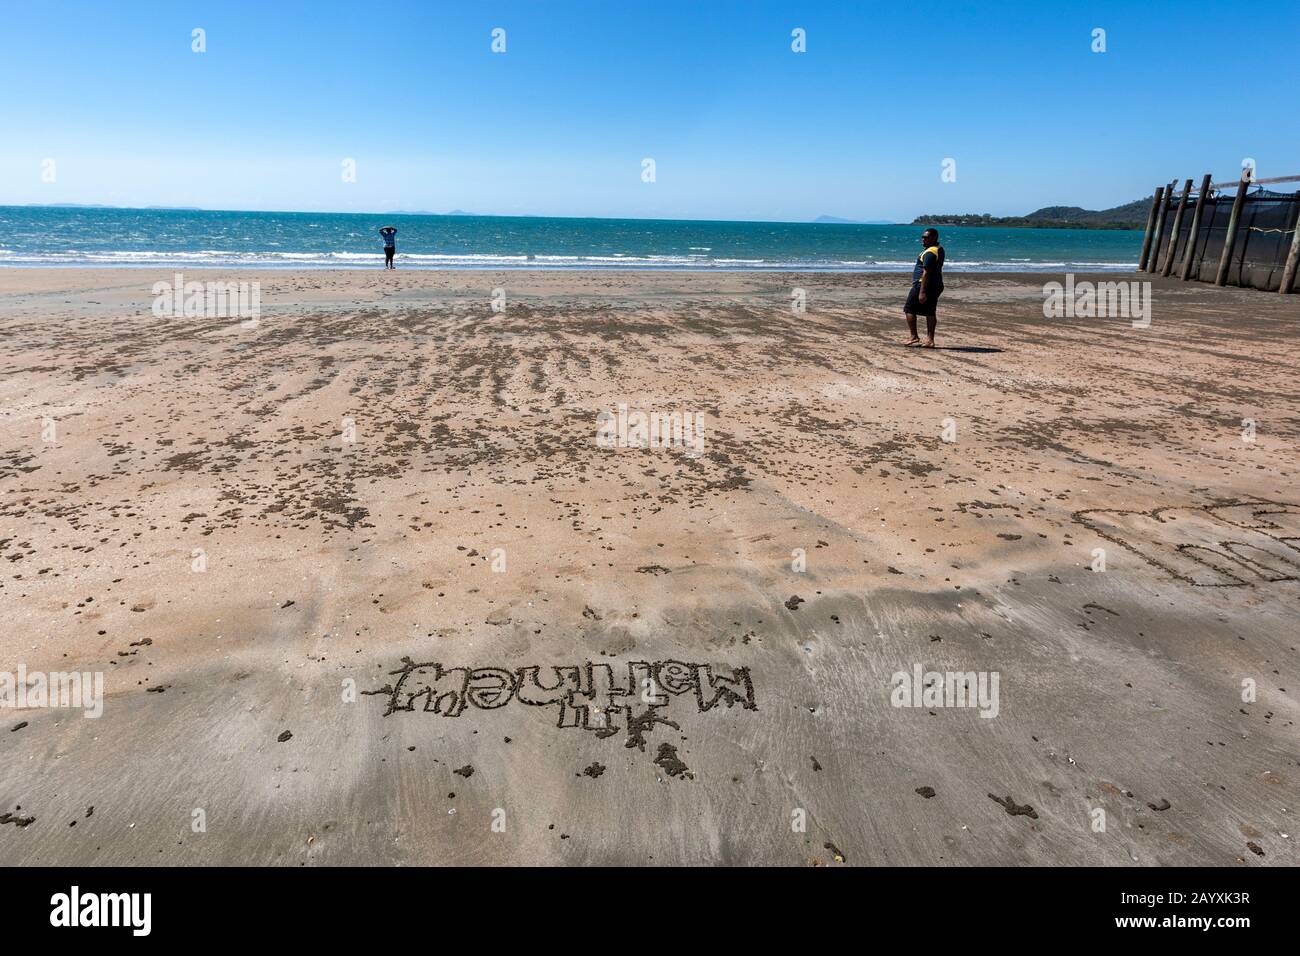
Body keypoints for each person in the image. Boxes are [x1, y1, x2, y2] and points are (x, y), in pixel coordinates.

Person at [904, 228, 945, 347]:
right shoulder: (939, 249)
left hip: (924, 285)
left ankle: (914, 336)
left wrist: (922, 292)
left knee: (909, 309)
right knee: (930, 312)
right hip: (936, 284)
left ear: (934, 238)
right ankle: (930, 340)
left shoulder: (930, 253)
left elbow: (926, 272)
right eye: (922, 237)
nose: (923, 239)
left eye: (926, 237)